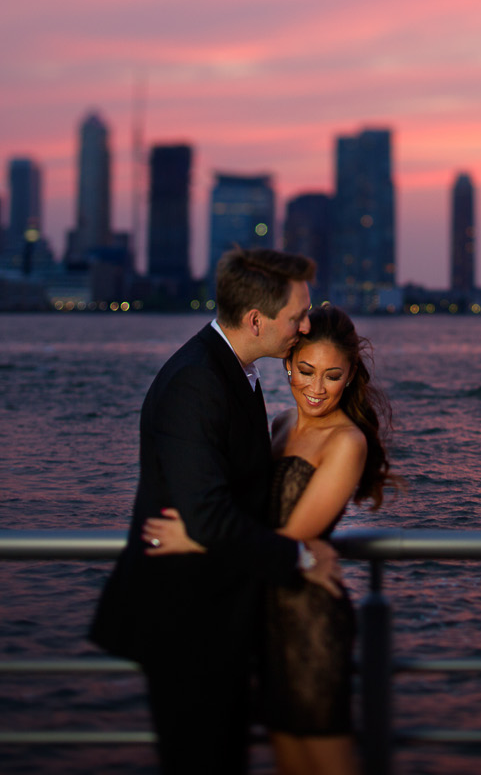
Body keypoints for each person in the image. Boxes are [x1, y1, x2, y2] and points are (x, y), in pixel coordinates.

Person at [89, 248, 343, 775]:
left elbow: (218, 511)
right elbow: (207, 514)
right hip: (187, 625)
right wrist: (300, 559)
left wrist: (204, 534)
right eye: (298, 314)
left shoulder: (231, 371)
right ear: (256, 320)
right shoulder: (197, 381)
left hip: (216, 618)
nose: (306, 324)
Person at [144, 304, 395, 775]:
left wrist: (195, 539)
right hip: (262, 614)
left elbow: (289, 537)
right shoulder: (278, 424)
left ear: (350, 375)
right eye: (306, 370)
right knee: (290, 762)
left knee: (328, 759)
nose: (317, 388)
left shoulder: (346, 443)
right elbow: (243, 507)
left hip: (309, 617)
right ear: (287, 362)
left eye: (332, 375)